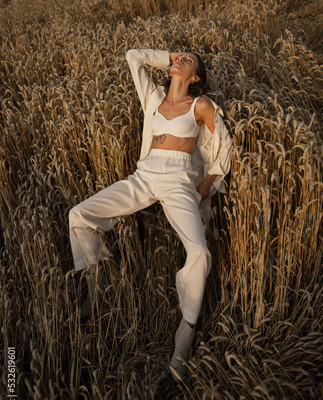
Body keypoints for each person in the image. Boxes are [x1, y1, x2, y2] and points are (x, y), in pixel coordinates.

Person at [68, 48, 232, 382]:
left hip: (178, 184)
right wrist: (171, 54)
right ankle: (98, 283)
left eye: (189, 61)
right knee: (79, 214)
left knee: (199, 252)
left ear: (196, 78)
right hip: (143, 177)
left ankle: (184, 335)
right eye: (178, 57)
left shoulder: (200, 105)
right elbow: (132, 56)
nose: (180, 60)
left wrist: (210, 179)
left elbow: (225, 143)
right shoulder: (154, 98)